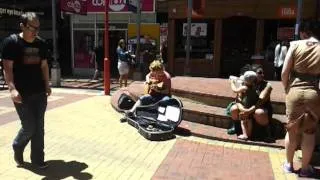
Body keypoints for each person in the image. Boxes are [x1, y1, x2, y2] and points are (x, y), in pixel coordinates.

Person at [1, 12, 51, 169]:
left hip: (39, 92)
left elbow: (44, 65)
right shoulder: (11, 43)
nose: (36, 31)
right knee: (29, 126)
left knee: (39, 127)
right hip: (21, 94)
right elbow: (7, 68)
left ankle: (38, 160)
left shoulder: (41, 43)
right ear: (22, 26)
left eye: (38, 27)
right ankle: (18, 144)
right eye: (32, 27)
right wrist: (12, 88)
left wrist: (47, 84)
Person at [281, 21, 320, 177]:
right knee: (309, 133)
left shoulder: (295, 44)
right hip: (313, 92)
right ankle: (305, 169)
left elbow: (285, 71)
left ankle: (289, 166)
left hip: (294, 91)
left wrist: (286, 88)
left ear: (304, 32)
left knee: (292, 131)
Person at [228, 64, 273, 141]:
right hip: (246, 107)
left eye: (263, 72)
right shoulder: (245, 83)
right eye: (260, 73)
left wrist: (247, 111)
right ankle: (236, 126)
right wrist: (243, 109)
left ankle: (267, 132)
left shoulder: (267, 85)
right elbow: (238, 99)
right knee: (233, 109)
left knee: (259, 113)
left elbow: (260, 102)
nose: (263, 75)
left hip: (258, 108)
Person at [230, 71, 259, 140]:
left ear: (245, 80)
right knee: (249, 120)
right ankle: (249, 134)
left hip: (245, 108)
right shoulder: (254, 87)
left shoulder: (244, 88)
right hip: (251, 107)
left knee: (243, 121)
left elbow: (235, 90)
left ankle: (245, 134)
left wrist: (232, 83)